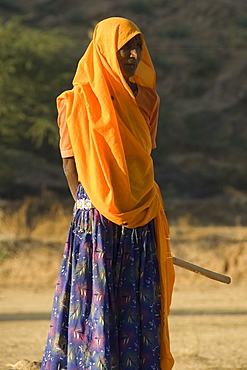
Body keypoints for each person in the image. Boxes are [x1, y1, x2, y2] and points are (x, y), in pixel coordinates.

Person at [41, 17, 175, 370]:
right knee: (94, 297)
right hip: (96, 216)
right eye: (125, 47)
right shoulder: (78, 100)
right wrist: (88, 201)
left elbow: (142, 157)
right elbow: (70, 160)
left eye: (137, 47)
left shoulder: (146, 99)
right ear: (104, 49)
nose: (133, 54)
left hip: (140, 212)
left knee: (136, 295)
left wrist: (131, 198)